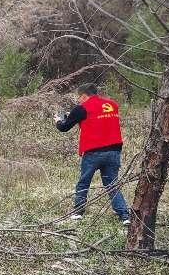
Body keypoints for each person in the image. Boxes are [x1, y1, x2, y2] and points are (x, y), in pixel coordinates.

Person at [54, 82, 130, 225]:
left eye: (79, 98)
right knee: (112, 184)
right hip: (114, 151)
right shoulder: (113, 105)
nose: (78, 100)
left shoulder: (81, 109)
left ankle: (78, 212)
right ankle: (124, 216)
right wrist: (75, 116)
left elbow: (64, 127)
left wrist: (58, 121)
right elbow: (98, 117)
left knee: (84, 182)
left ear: (83, 96)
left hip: (93, 152)